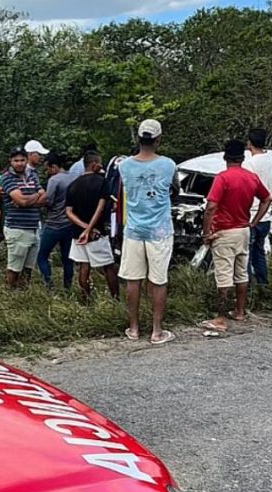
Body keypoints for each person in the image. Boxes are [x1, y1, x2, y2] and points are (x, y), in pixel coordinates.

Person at [200, 140, 270, 332]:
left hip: (225, 231)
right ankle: (239, 311)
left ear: (225, 157)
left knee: (223, 276)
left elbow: (211, 206)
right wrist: (255, 221)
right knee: (241, 273)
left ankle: (221, 318)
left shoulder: (222, 178)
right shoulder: (251, 177)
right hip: (244, 230)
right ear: (243, 156)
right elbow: (266, 198)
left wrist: (207, 233)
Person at [118, 119, 178, 345]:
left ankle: (133, 328)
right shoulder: (168, 165)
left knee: (133, 280)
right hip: (160, 230)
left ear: (138, 139)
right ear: (158, 139)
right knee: (158, 281)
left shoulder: (124, 166)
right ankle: (156, 331)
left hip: (134, 230)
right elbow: (175, 189)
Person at [66, 151, 120, 302]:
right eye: (100, 163)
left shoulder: (73, 185)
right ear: (94, 164)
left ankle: (86, 299)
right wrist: (90, 228)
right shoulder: (101, 182)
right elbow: (101, 207)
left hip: (77, 234)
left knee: (84, 266)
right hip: (97, 233)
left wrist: (83, 228)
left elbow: (68, 212)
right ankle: (115, 299)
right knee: (108, 266)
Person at [0, 146, 46, 288]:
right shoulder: (7, 178)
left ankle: (24, 293)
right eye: (16, 160)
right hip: (17, 228)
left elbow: (44, 196)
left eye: (22, 160)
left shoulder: (32, 175)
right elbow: (23, 201)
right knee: (14, 266)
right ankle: (11, 293)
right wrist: (34, 197)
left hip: (33, 227)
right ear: (10, 161)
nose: (19, 163)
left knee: (28, 267)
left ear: (27, 159)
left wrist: (28, 200)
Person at [243, 128, 272, 286]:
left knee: (245, 255)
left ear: (249, 143)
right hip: (266, 216)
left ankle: (247, 289)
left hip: (250, 216)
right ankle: (263, 284)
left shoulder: (249, 164)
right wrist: (268, 202)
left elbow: (245, 190)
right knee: (259, 253)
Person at [39, 152, 77, 289]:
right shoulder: (74, 177)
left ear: (53, 167)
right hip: (70, 223)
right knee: (67, 258)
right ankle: (68, 286)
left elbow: (48, 201)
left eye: (47, 168)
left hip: (54, 224)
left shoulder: (54, 180)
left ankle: (48, 285)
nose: (47, 172)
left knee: (42, 256)